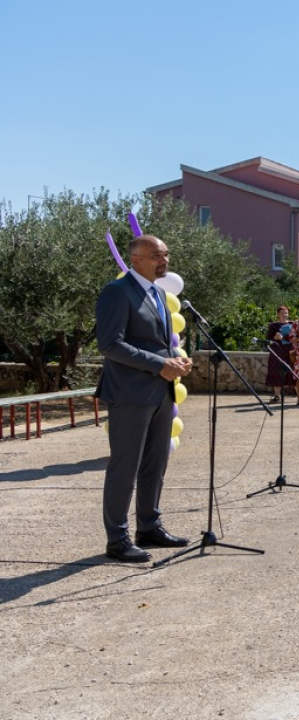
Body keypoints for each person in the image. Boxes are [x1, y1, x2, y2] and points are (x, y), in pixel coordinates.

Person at [95, 234, 192, 562]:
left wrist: (176, 360)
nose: (163, 261)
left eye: (166, 255)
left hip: (161, 392)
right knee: (125, 466)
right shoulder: (117, 292)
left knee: (155, 463)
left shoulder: (158, 294)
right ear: (135, 259)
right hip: (129, 394)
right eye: (156, 256)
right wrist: (159, 363)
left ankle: (148, 527)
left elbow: (157, 342)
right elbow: (110, 344)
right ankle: (117, 539)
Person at [266, 305, 295, 402]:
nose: (284, 315)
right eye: (282, 313)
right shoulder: (273, 325)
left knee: (292, 371)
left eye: (286, 313)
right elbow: (268, 339)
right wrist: (275, 337)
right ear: (278, 314)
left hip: (289, 351)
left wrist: (284, 338)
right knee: (277, 372)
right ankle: (277, 395)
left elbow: (296, 337)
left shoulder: (293, 324)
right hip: (277, 352)